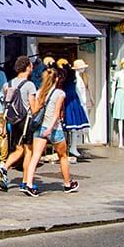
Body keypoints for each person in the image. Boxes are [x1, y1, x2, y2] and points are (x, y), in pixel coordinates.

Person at [20, 67, 78, 197]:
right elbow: (57, 114)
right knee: (63, 156)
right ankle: (68, 184)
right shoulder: (60, 94)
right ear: (57, 79)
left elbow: (34, 111)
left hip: (39, 127)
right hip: (54, 129)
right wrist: (50, 128)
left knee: (35, 156)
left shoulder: (40, 92)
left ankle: (28, 184)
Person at [0, 55, 34, 191]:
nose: (32, 68)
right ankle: (25, 181)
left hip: (13, 120)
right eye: (30, 65)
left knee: (18, 149)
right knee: (28, 151)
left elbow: (5, 103)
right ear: (27, 67)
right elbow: (33, 107)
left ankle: (4, 168)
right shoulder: (29, 85)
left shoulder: (8, 84)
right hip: (26, 120)